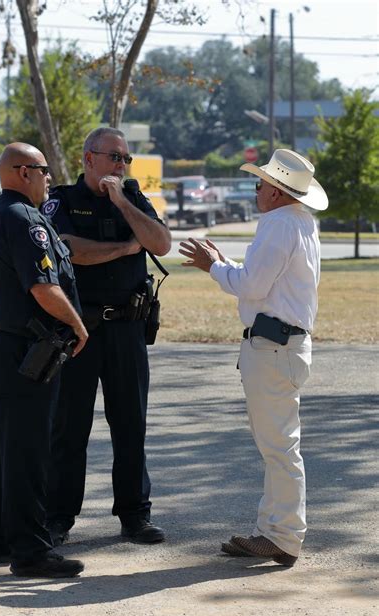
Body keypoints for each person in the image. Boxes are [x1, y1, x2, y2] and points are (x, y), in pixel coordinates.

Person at [179, 149, 328, 567]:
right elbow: (265, 280)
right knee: (280, 445)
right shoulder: (299, 222)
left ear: (278, 191)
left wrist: (213, 267)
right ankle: (275, 530)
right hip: (285, 346)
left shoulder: (278, 223)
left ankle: (282, 536)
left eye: (261, 183)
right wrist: (225, 264)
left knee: (278, 447)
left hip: (273, 347)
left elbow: (253, 285)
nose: (256, 188)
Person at [41, 127, 171, 544]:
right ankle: (58, 517)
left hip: (128, 331)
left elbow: (161, 242)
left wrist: (121, 201)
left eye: (125, 159)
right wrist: (122, 249)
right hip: (80, 331)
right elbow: (66, 248)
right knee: (69, 428)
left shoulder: (132, 197)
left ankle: (135, 514)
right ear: (88, 159)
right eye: (113, 157)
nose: (120, 165)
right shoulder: (63, 199)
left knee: (131, 425)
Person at [0, 142, 88, 578]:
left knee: (5, 447)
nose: (49, 177)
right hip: (27, 349)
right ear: (23, 172)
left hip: (6, 346)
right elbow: (43, 287)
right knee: (27, 450)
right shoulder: (23, 218)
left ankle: (2, 539)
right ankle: (31, 551)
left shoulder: (1, 214)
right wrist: (79, 325)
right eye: (44, 170)